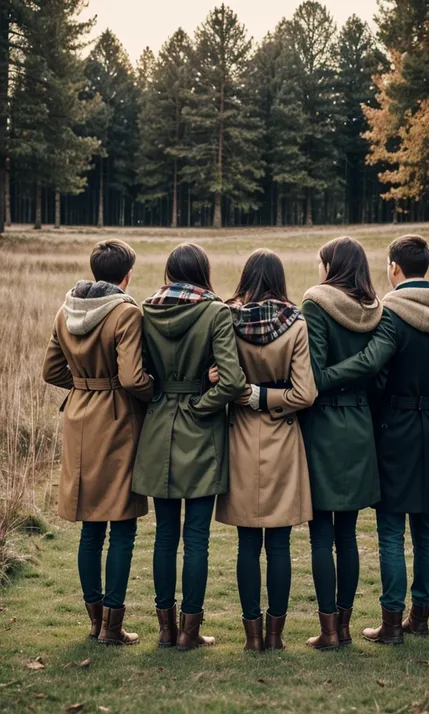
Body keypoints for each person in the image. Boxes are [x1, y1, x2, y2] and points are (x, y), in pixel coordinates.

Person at [318, 235, 429, 644]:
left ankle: (390, 625)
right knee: (426, 531)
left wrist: (333, 385)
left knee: (390, 531)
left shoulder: (392, 315)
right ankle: (420, 619)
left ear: (394, 268)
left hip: (395, 431)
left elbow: (374, 371)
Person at [132, 243, 246, 652]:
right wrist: (202, 399)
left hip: (160, 425)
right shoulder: (215, 312)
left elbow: (138, 372)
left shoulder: (147, 310)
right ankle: (188, 632)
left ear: (169, 272)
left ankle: (164, 630)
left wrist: (162, 394)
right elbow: (233, 382)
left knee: (165, 535)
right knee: (196, 537)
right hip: (200, 430)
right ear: (203, 272)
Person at [42, 239, 153, 646]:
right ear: (126, 275)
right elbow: (132, 378)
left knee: (92, 528)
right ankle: (112, 626)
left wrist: (83, 384)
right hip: (117, 418)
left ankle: (94, 622)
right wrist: (156, 395)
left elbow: (51, 370)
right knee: (122, 526)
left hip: (79, 418)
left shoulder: (66, 309)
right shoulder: (126, 312)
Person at [213, 249, 316, 652]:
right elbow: (305, 393)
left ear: (245, 277)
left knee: (246, 544)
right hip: (282, 437)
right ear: (279, 279)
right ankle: (275, 636)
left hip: (239, 436)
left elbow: (218, 377)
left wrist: (246, 394)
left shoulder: (226, 318)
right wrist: (268, 396)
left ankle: (251, 637)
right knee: (278, 544)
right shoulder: (296, 324)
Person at [300, 236, 383, 650]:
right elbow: (379, 375)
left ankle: (329, 631)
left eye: (321, 262)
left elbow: (311, 373)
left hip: (324, 424)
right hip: (360, 424)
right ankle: (346, 628)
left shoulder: (316, 304)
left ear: (332, 265)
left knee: (320, 535)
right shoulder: (375, 309)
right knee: (347, 534)